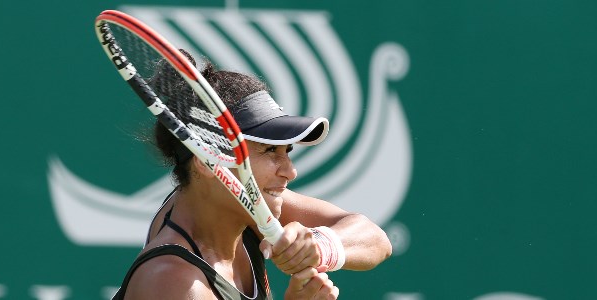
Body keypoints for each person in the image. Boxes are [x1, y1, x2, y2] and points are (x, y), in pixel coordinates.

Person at [113, 54, 392, 300]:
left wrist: (318, 246)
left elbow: (376, 240)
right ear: (209, 162)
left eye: (287, 150)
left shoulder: (237, 204)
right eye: (270, 150)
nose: (290, 170)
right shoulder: (174, 282)